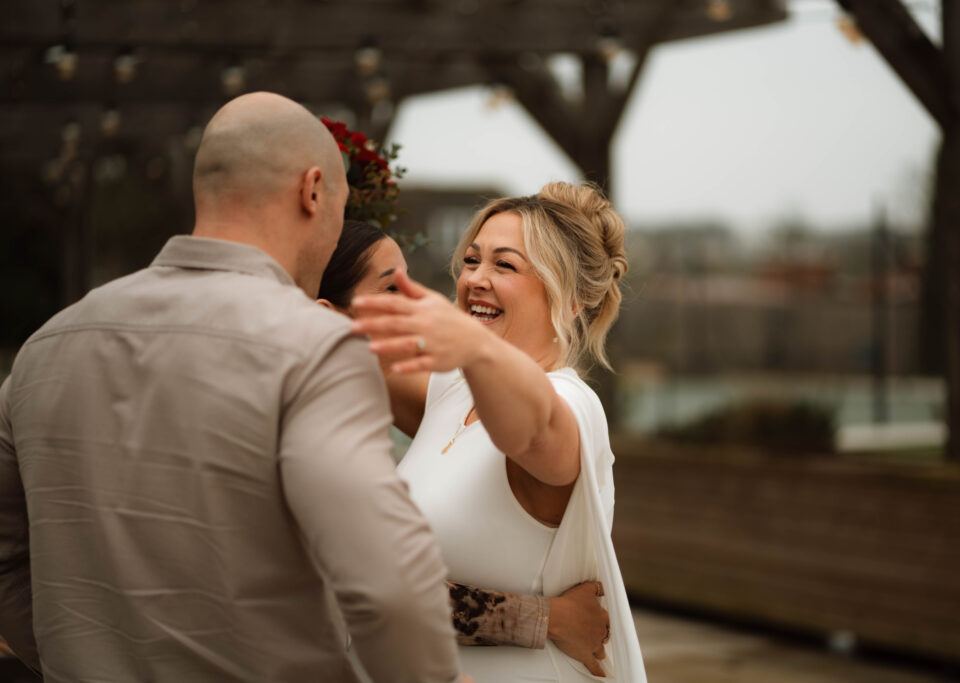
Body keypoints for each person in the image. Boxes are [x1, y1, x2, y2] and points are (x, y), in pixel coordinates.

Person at [0, 92, 463, 682]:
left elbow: (7, 561)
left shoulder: (44, 349)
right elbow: (387, 585)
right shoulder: (316, 347)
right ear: (314, 191)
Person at [350, 182, 648, 681]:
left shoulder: (573, 406)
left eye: (504, 265)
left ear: (571, 299)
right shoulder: (451, 388)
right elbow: (346, 340)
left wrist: (472, 347)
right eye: (471, 261)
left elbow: (529, 433)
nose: (477, 279)